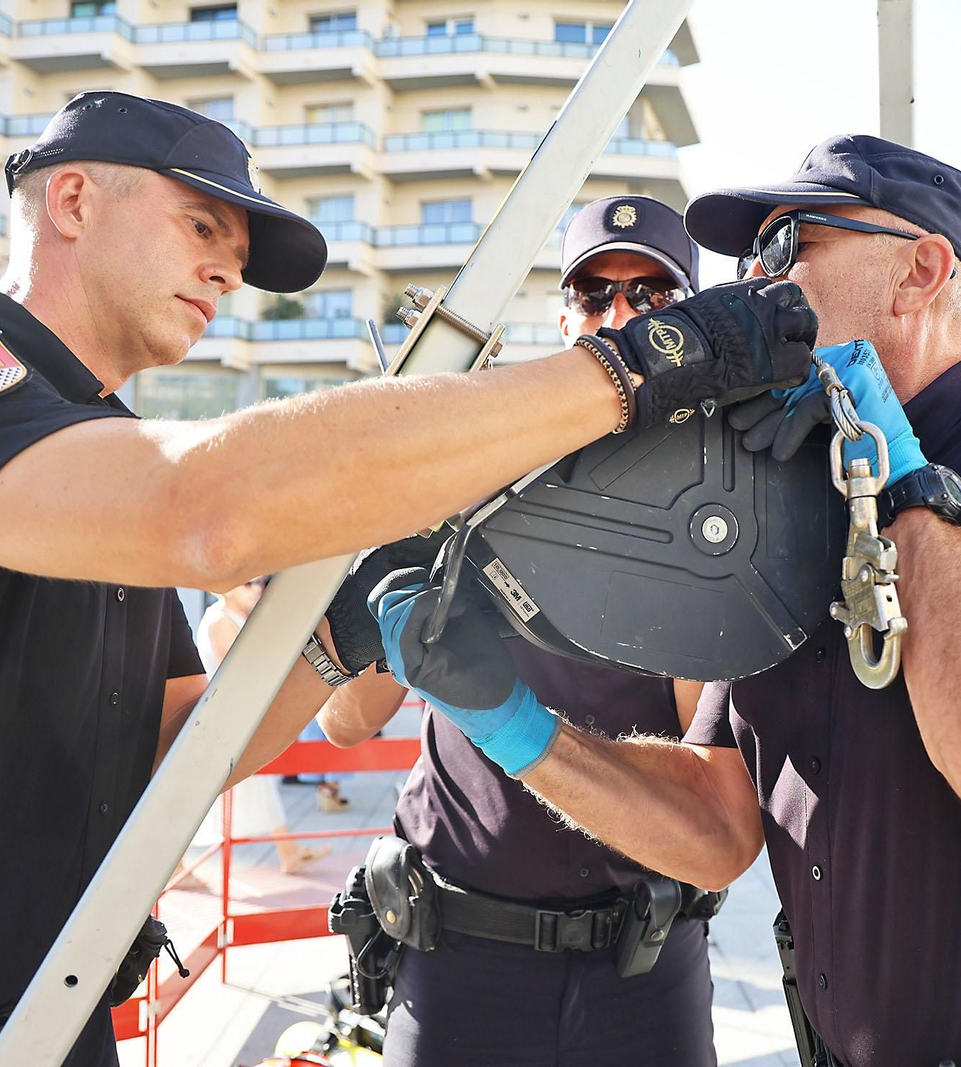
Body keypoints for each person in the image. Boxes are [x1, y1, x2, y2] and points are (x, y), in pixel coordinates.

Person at [0, 90, 817, 1067]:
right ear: (71, 200)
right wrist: (627, 368)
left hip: (51, 1019)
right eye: (202, 226)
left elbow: (170, 746)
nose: (227, 273)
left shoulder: (93, 443)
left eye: (238, 254)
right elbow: (201, 509)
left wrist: (341, 631)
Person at [367, 135, 961, 1066]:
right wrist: (517, 728)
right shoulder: (791, 505)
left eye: (788, 244)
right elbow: (719, 822)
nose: (754, 283)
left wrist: (902, 483)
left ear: (921, 270)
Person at [318, 196, 720, 1067]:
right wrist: (401, 540)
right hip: (457, 958)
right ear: (564, 313)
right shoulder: (476, 468)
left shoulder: (718, 509)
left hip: (642, 967)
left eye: (652, 296)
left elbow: (712, 781)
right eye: (595, 294)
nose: (619, 316)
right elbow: (346, 719)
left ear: (689, 314)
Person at [189, 576, 330, 877]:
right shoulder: (220, 620)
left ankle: (288, 850)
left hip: (237, 719)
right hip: (228, 721)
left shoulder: (234, 618)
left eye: (260, 582)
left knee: (249, 787)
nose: (258, 588)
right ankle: (175, 863)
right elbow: (241, 671)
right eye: (249, 583)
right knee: (212, 797)